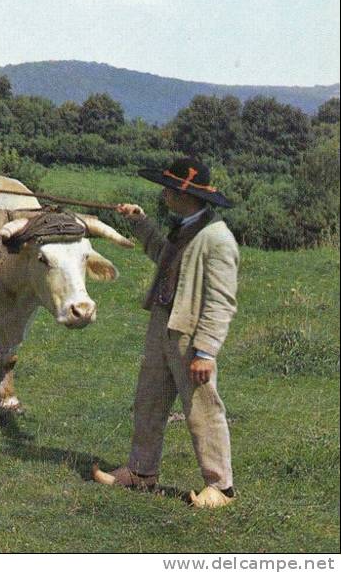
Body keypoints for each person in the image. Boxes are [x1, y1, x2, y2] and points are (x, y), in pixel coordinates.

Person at [94, 157, 239, 509]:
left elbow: (222, 302)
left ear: (183, 194)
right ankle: (141, 473)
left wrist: (206, 350)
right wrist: (140, 223)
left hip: (190, 336)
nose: (163, 193)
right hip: (162, 323)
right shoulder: (185, 226)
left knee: (202, 409)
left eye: (168, 188)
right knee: (149, 400)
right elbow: (164, 256)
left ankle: (221, 489)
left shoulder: (217, 239)